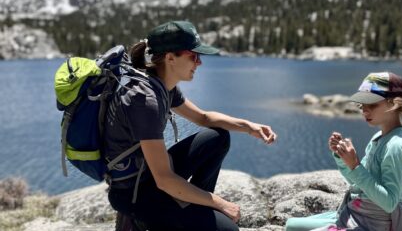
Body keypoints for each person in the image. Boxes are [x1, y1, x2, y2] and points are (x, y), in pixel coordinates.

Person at [104, 21, 277, 231]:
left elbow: (204, 118)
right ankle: (142, 220)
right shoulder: (145, 100)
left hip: (149, 176)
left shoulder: (163, 85)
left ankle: (189, 211)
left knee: (218, 138)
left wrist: (248, 126)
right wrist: (218, 202)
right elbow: (165, 179)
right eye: (193, 56)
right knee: (228, 230)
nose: (199, 63)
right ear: (170, 58)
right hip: (134, 194)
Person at [286, 72, 402, 231]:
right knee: (291, 225)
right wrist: (343, 159)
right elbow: (357, 183)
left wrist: (356, 166)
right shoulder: (379, 137)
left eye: (371, 105)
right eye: (361, 105)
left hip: (372, 223)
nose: (364, 111)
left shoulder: (396, 146)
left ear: (393, 103)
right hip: (355, 213)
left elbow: (390, 203)